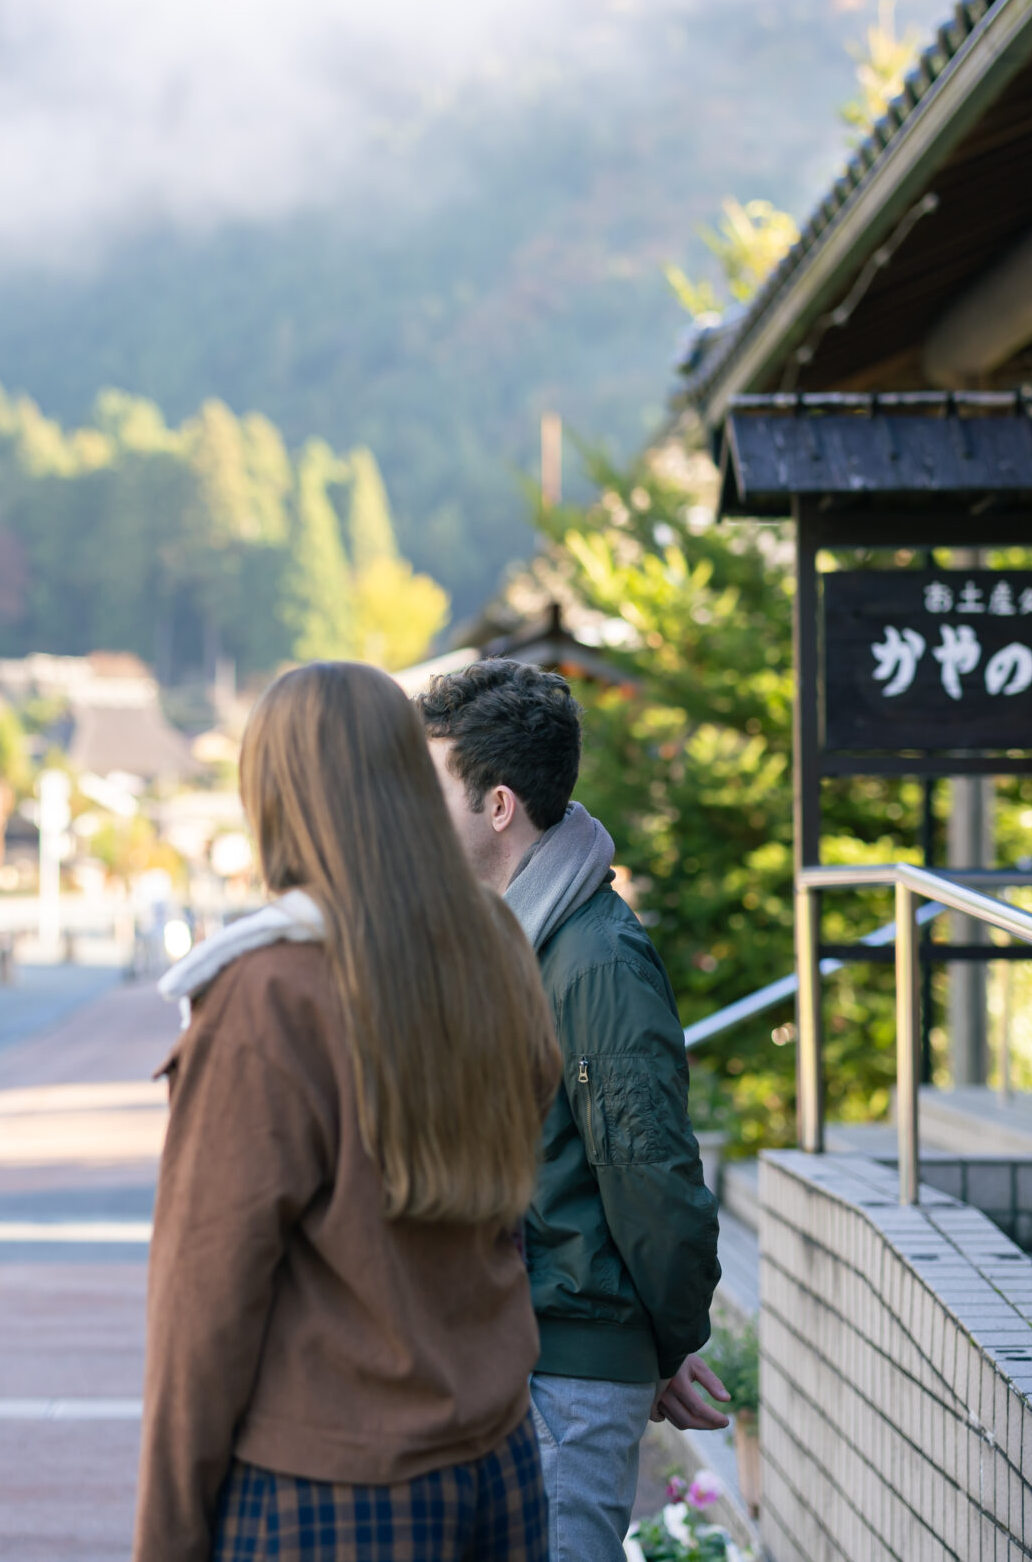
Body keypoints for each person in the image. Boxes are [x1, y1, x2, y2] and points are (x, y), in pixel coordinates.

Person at [137, 661, 563, 1562]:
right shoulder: (493, 944)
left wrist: (166, 1539)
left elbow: (204, 1303)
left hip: (331, 1488)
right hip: (500, 1462)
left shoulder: (271, 990)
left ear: (274, 794)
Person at [418, 660, 726, 1562]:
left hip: (568, 1377)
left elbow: (652, 1176)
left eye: (435, 785)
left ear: (499, 803)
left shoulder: (594, 957)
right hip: (524, 1358)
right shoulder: (518, 935)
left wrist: (667, 1341)